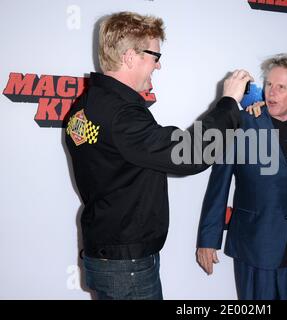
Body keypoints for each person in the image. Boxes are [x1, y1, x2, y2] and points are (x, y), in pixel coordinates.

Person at [64, 11, 252, 300]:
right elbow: (189, 153)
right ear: (130, 57)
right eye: (154, 56)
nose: (159, 65)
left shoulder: (86, 105)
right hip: (126, 267)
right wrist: (228, 103)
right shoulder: (122, 116)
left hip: (105, 254)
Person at [196, 53, 287, 300]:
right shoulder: (243, 124)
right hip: (255, 247)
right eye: (269, 84)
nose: (271, 92)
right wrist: (208, 238)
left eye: (281, 87)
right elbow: (219, 183)